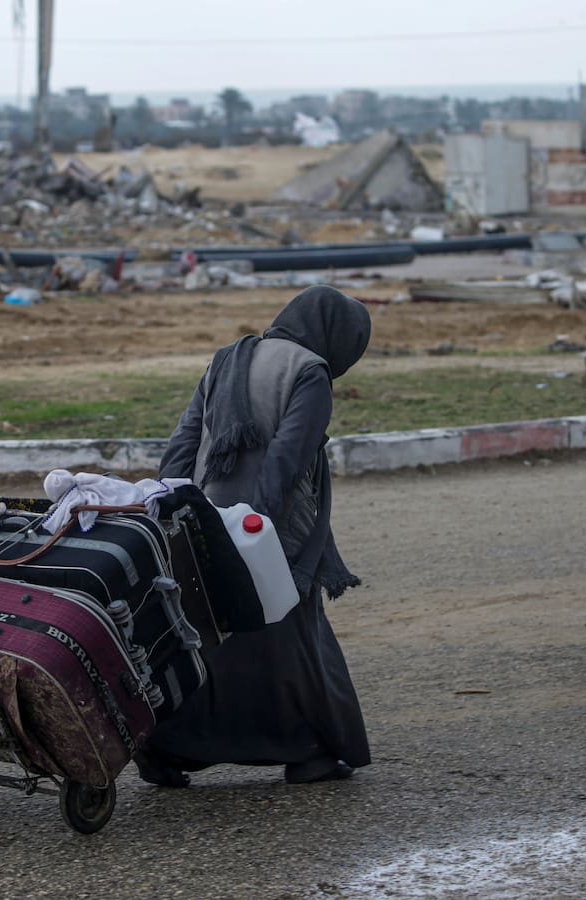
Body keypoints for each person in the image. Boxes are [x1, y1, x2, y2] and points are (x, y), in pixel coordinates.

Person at [136, 284, 372, 786]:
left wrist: (169, 506)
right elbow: (287, 459)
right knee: (293, 638)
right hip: (269, 529)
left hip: (201, 518)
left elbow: (185, 442)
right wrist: (254, 528)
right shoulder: (310, 372)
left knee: (200, 634)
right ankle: (311, 750)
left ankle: (165, 748)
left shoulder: (229, 357)